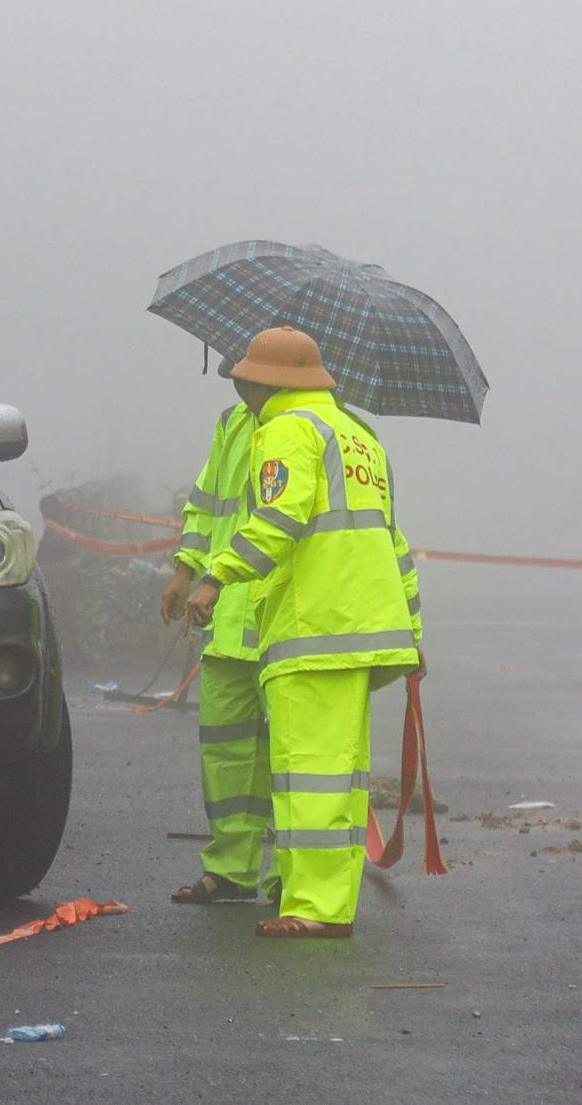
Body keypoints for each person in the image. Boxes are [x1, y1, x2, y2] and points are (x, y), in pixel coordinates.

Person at [185, 326, 423, 939]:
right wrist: (413, 629)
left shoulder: (285, 431)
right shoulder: (357, 438)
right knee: (339, 777)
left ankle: (312, 908)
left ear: (263, 383)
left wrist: (216, 575)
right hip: (361, 629)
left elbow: (277, 519)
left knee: (307, 771)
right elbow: (391, 540)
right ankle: (319, 900)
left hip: (313, 626)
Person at [162, 355, 275, 906]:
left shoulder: (308, 431)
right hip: (229, 621)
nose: (231, 366)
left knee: (290, 764)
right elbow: (207, 506)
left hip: (283, 625)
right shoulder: (232, 424)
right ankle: (231, 869)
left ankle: (293, 880)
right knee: (227, 755)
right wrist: (185, 571)